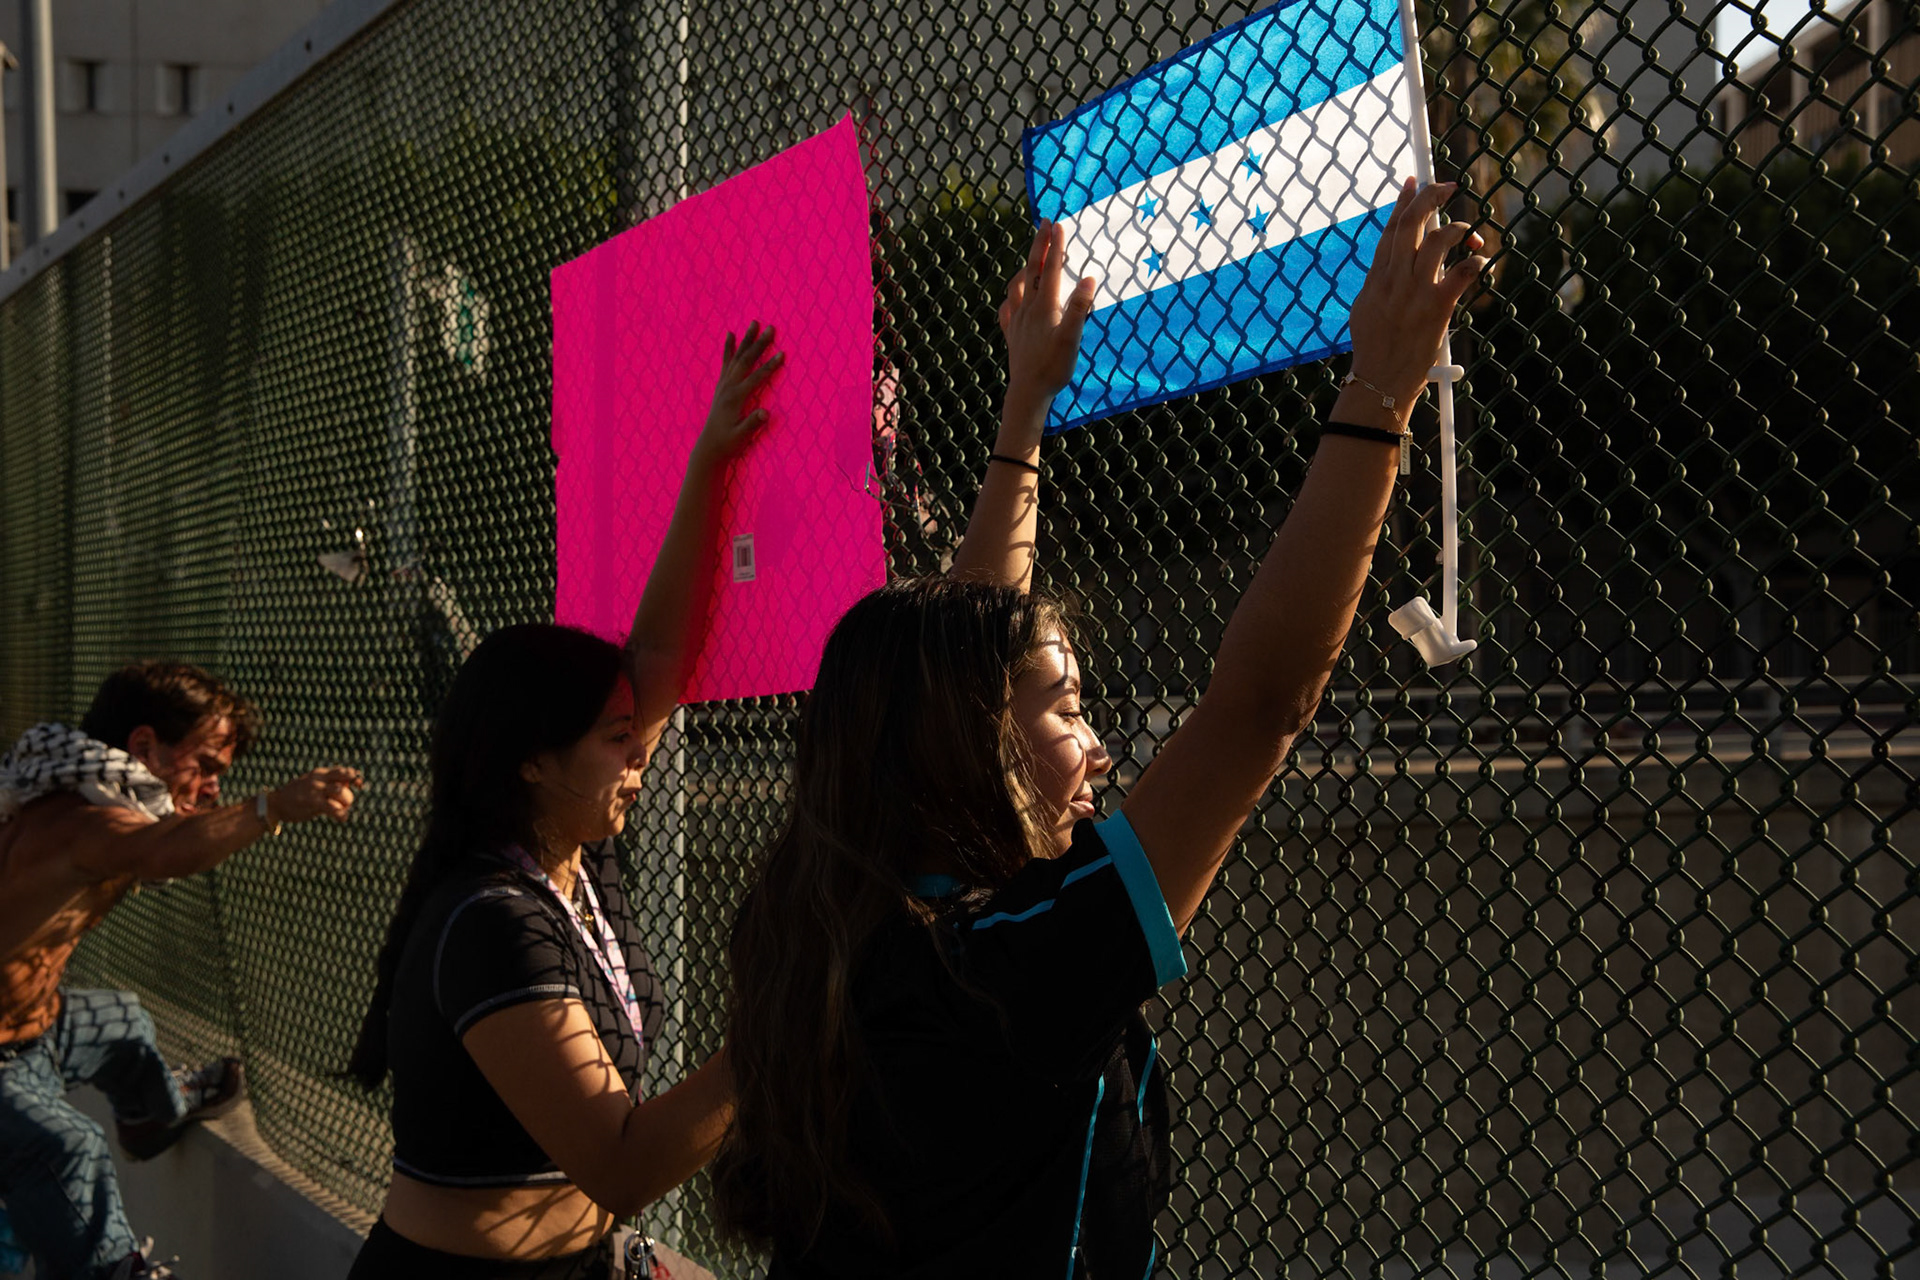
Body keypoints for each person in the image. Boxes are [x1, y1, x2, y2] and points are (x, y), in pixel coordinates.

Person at [711, 179, 1487, 1277]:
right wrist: (1381, 384)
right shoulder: (1005, 965)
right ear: (964, 740)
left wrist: (1025, 408)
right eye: (1072, 709)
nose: (1103, 743)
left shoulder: (833, 919)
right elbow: (1255, 711)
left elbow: (970, 652)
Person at [0, 661, 363, 1280]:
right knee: (67, 1147)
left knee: (122, 1020)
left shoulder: (59, 793)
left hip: (36, 1031)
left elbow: (170, 831)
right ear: (144, 747)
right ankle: (111, 1268)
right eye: (208, 767)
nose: (215, 788)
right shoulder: (87, 825)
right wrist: (275, 805)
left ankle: (152, 1118)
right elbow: (163, 853)